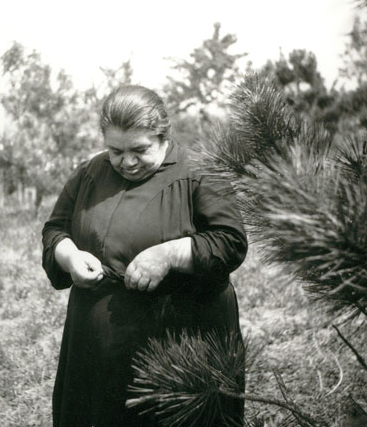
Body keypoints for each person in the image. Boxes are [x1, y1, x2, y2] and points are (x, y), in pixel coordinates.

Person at [42, 85, 248, 427]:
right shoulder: (90, 173)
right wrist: (70, 257)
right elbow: (55, 230)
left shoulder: (199, 172)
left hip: (182, 346)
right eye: (116, 151)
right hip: (97, 351)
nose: (127, 162)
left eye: (139, 149)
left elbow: (231, 242)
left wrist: (169, 255)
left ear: (163, 136)